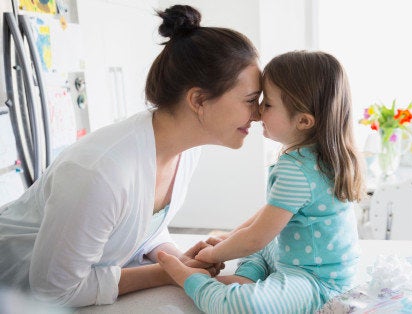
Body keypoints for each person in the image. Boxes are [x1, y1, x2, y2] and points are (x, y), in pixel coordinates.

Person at [0, 5, 261, 307]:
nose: (257, 114)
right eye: (251, 100)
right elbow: (54, 290)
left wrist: (177, 259)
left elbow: (142, 225)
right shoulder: (100, 172)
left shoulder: (184, 150)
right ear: (199, 100)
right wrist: (166, 272)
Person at [157, 51, 365, 313]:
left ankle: (186, 278)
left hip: (317, 280)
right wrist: (231, 239)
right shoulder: (318, 157)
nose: (257, 112)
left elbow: (256, 237)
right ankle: (247, 276)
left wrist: (212, 255)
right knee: (253, 243)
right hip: (293, 256)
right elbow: (265, 218)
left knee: (246, 304)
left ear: (303, 120)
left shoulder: (297, 168)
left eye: (267, 104)